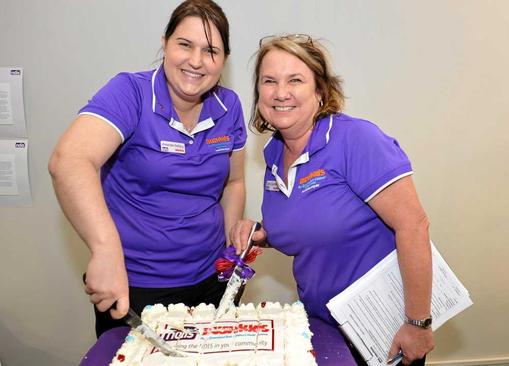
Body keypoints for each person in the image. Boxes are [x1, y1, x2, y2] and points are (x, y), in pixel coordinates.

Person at [229, 34, 434, 365]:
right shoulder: (274, 156)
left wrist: (418, 324)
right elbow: (309, 225)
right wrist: (262, 233)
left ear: (320, 91)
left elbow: (414, 225)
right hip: (322, 329)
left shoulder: (355, 140)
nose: (280, 92)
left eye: (295, 80)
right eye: (269, 81)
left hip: (385, 331)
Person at [48, 0, 246, 337]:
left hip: (212, 283)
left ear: (223, 59)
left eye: (210, 50)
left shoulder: (229, 107)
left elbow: (234, 182)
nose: (196, 61)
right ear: (165, 43)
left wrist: (231, 261)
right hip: (137, 288)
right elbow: (69, 161)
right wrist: (105, 250)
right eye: (185, 44)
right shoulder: (130, 93)